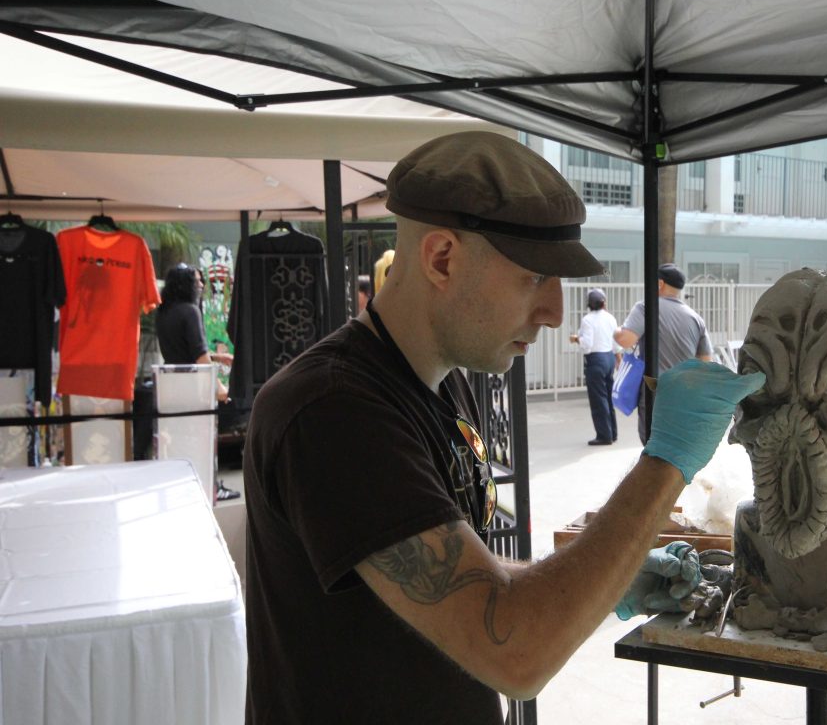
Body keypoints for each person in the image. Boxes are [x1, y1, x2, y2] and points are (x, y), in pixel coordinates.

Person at [241, 132, 763, 724]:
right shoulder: (333, 412)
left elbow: (447, 576)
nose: (555, 312)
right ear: (442, 258)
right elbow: (515, 653)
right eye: (534, 278)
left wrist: (606, 580)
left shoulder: (442, 381)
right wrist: (666, 461)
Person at [615, 263, 714, 444]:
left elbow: (625, 340)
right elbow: (706, 362)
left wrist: (616, 330)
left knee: (653, 447)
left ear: (660, 284)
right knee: (678, 446)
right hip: (685, 394)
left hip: (655, 393)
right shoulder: (695, 317)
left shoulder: (646, 307)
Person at [155, 263, 231, 402]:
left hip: (168, 384)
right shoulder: (190, 311)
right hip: (191, 386)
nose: (201, 285)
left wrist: (216, 357)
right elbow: (200, 356)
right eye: (197, 281)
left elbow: (181, 351)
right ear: (185, 284)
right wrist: (218, 387)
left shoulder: (163, 312)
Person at [569, 288, 620, 445]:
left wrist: (577, 339)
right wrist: (618, 359)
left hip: (596, 360)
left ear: (589, 304)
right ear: (604, 303)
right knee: (608, 397)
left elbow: (587, 346)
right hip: (609, 358)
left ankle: (604, 436)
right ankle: (613, 433)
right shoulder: (611, 318)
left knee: (598, 399)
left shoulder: (587, 320)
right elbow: (615, 343)